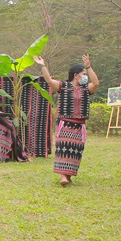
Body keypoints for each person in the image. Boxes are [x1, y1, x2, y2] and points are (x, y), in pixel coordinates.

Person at [34, 54, 99, 185]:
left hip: (79, 125)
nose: (85, 76)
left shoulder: (86, 89)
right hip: (65, 124)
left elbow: (96, 82)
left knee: (75, 151)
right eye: (83, 73)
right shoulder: (63, 86)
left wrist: (88, 66)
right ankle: (63, 176)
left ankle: (68, 177)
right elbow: (49, 81)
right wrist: (43, 65)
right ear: (76, 75)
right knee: (64, 148)